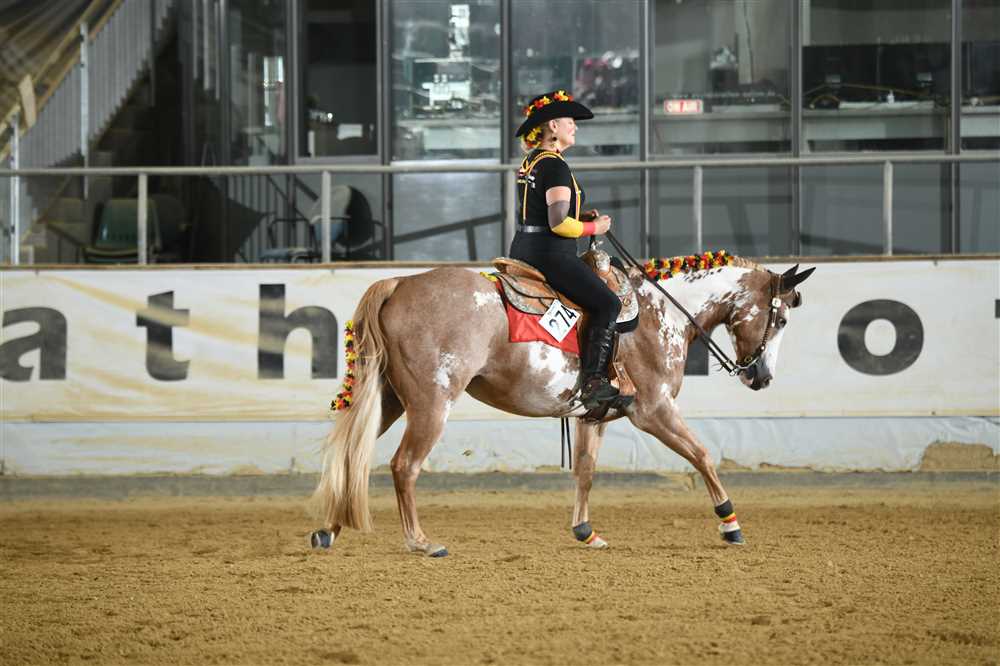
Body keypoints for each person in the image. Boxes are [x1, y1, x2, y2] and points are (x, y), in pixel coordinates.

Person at [509, 90, 623, 410]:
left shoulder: (531, 161)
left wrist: (578, 216)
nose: (575, 127)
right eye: (570, 121)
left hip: (523, 248)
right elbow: (559, 223)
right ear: (553, 125)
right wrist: (593, 228)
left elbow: (539, 211)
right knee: (608, 304)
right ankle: (594, 381)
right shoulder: (555, 166)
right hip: (550, 255)